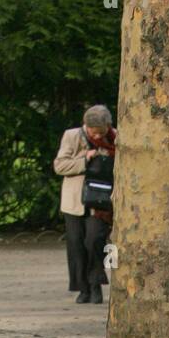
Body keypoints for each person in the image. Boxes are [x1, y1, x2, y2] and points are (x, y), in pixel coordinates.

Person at [53, 105, 116, 304]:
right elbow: (60, 165)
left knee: (95, 240)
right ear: (86, 126)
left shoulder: (117, 138)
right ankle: (84, 288)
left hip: (101, 202)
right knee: (76, 244)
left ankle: (96, 283)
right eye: (93, 131)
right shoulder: (72, 136)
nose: (97, 134)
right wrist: (84, 159)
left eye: (101, 131)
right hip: (75, 200)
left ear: (108, 126)